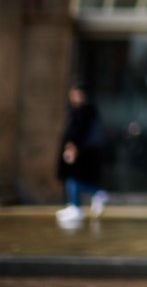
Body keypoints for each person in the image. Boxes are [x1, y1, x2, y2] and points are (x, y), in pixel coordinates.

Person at [55, 83, 108, 225]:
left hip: (80, 152)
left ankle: (80, 204)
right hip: (82, 151)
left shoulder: (83, 112)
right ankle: (77, 204)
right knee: (73, 179)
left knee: (73, 179)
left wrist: (72, 147)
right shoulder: (83, 111)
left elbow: (77, 133)